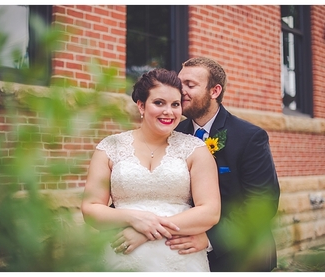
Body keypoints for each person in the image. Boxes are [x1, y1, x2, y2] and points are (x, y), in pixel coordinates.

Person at [81, 68, 221, 271]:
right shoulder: (111, 147)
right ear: (141, 105)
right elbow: (91, 208)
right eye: (159, 103)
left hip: (181, 262)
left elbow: (210, 212)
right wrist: (134, 218)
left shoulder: (195, 150)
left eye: (175, 104)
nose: (169, 112)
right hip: (121, 259)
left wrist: (146, 231)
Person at [166, 57, 281, 271]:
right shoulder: (174, 134)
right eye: (179, 84)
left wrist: (210, 240)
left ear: (215, 91)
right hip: (185, 257)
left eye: (190, 85)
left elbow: (263, 204)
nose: (181, 91)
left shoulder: (249, 137)